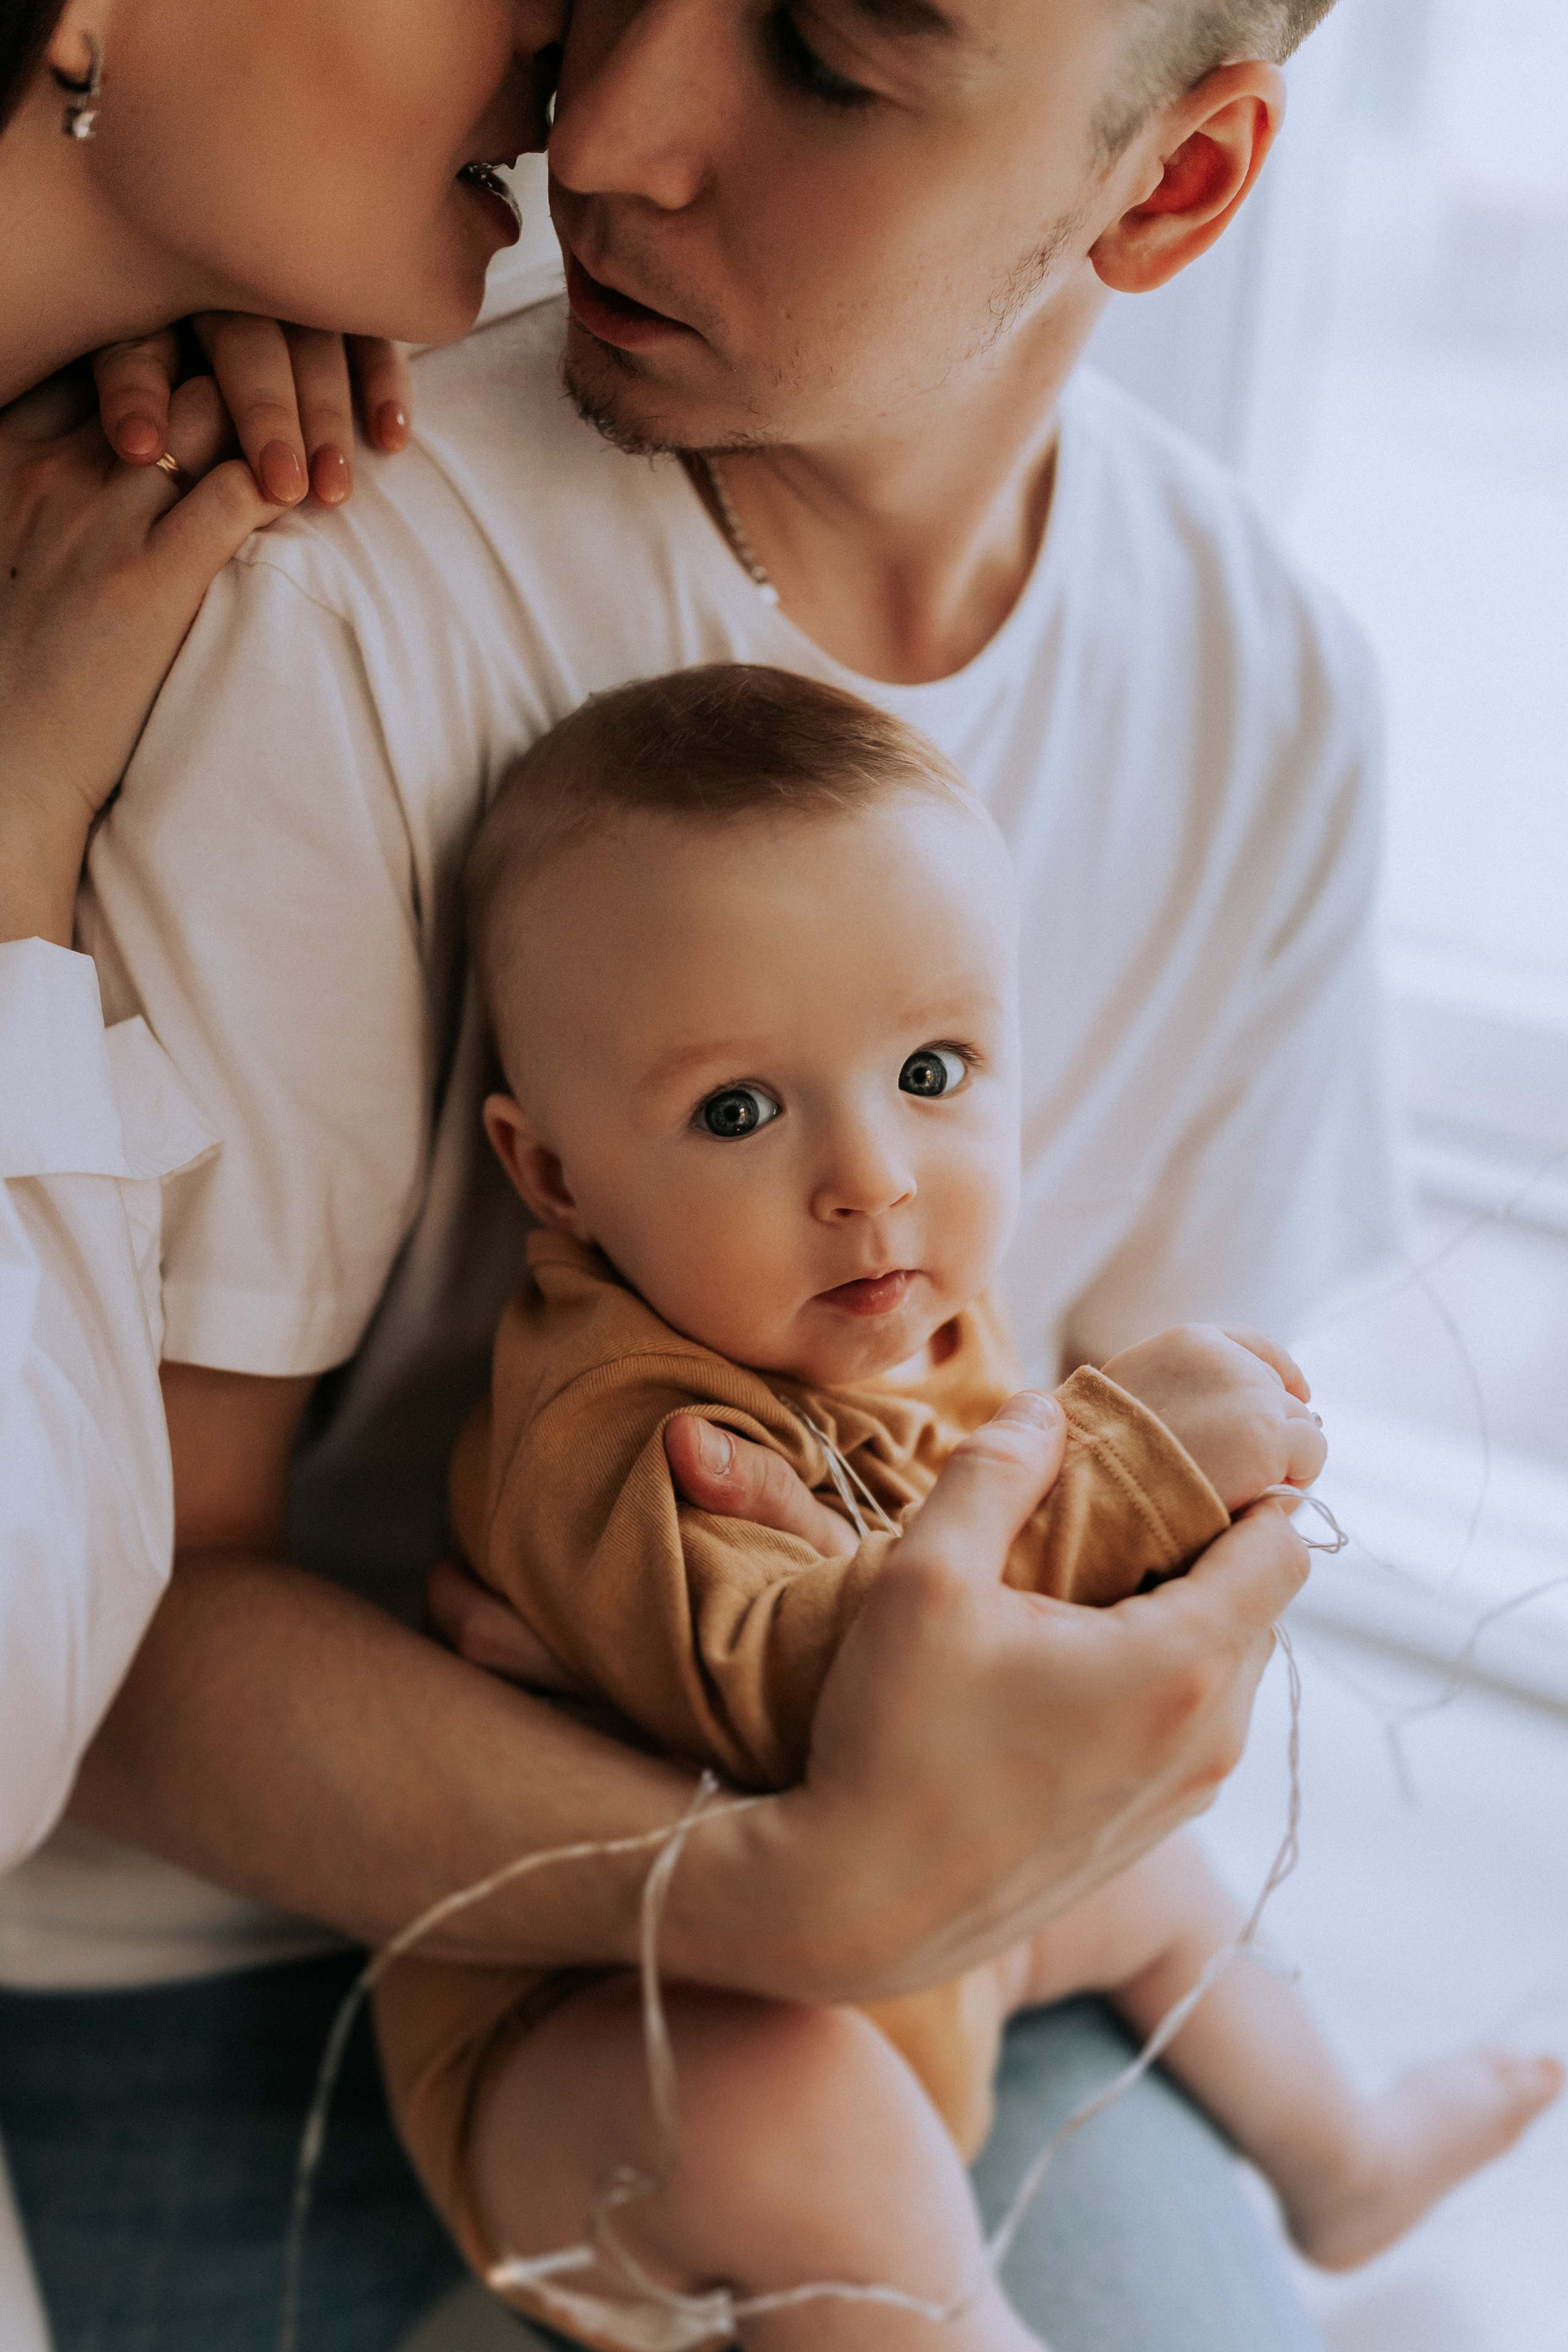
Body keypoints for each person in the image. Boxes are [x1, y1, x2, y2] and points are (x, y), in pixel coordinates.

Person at [0, 0, 1386, 2346]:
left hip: (925, 1937)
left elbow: (1160, 1531)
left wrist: (888, 1846)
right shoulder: (323, 543)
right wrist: (788, 1884)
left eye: (833, 60)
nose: (609, 131)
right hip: (230, 1973)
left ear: (1170, 192)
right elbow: (106, 1644)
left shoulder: (1273, 694)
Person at [373, 666, 1558, 2352]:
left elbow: (1005, 1644)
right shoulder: (612, 1414)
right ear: (553, 1173)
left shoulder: (917, 1308)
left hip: (912, 1941)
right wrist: (1131, 1476)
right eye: (738, 1110)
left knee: (1140, 1866)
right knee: (784, 2116)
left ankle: (1339, 2152)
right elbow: (804, 1696)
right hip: (607, 2040)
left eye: (935, 1068)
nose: (874, 1178)